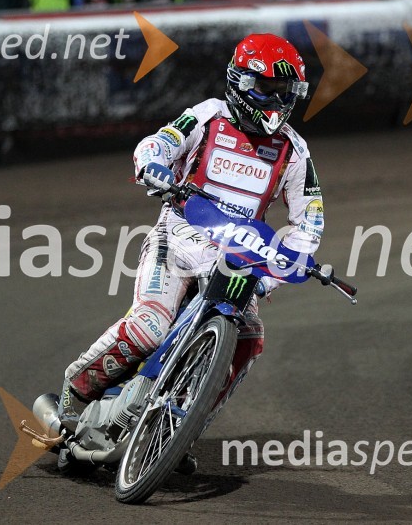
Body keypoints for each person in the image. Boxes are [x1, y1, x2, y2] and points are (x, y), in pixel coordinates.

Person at [58, 33, 324, 448]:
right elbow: (157, 144)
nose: (276, 100)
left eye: (285, 91)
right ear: (240, 82)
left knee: (250, 338)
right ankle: (74, 396)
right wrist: (154, 167)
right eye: (266, 88)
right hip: (178, 239)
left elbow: (310, 220)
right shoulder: (208, 115)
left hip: (239, 260)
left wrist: (278, 270)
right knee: (148, 328)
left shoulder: (295, 150)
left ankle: (181, 430)